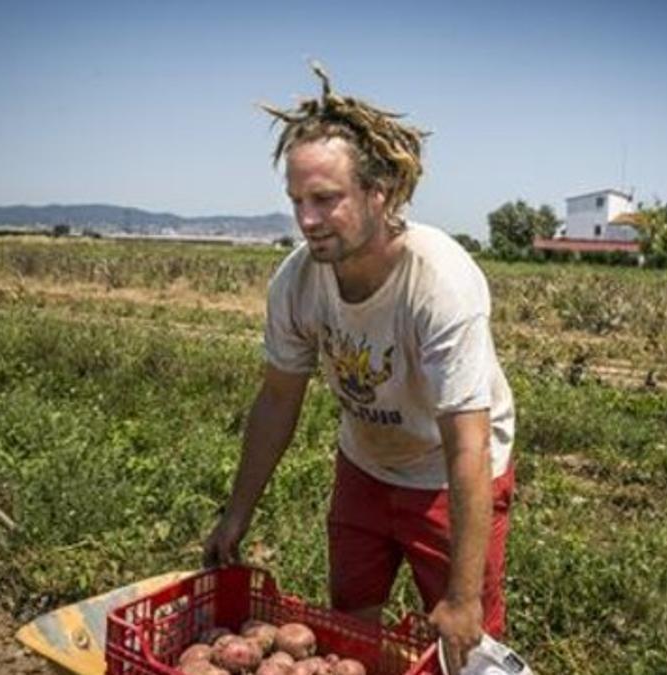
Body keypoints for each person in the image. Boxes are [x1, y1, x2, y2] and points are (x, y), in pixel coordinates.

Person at [202, 65, 515, 675]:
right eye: (297, 201)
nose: (308, 220)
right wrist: (236, 512)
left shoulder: (439, 283)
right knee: (348, 631)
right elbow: (276, 401)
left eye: (326, 199)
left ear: (380, 193)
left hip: (450, 477)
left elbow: (468, 444)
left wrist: (461, 595)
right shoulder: (297, 281)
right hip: (366, 465)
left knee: (463, 644)